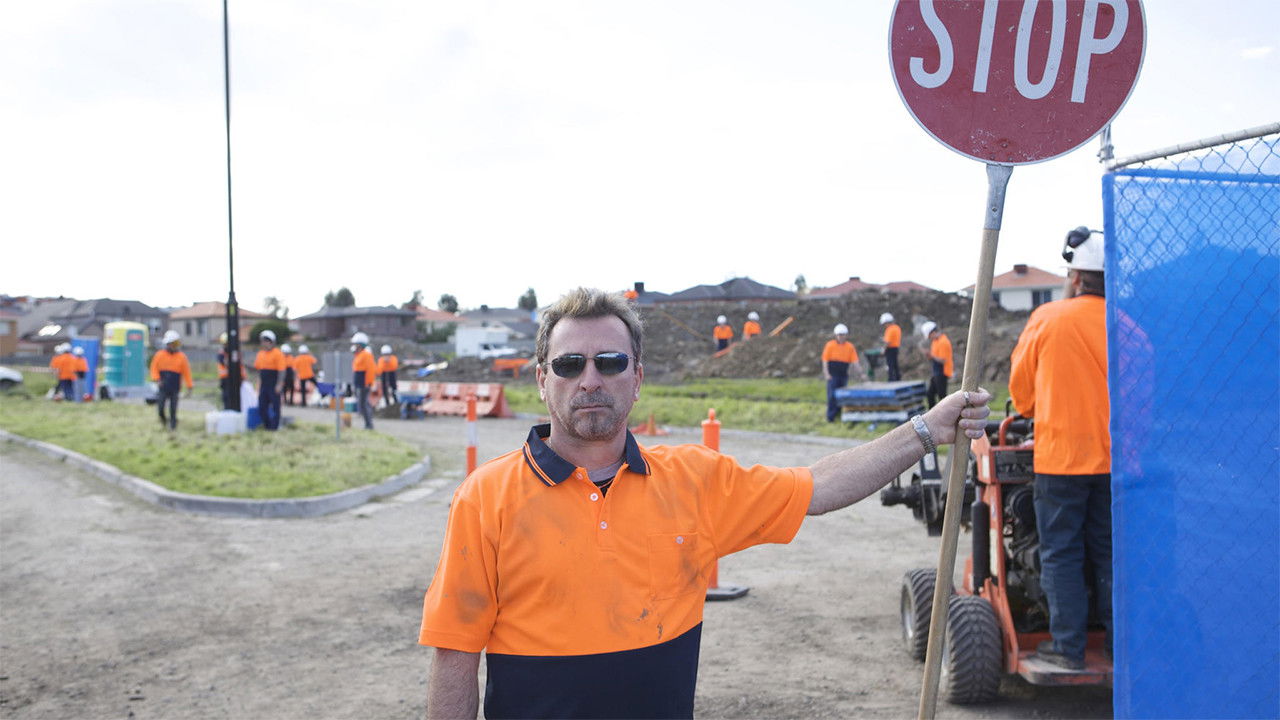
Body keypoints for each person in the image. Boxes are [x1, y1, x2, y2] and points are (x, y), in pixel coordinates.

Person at [419, 288, 990, 719]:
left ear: (637, 378)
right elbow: (455, 657)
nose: (590, 378)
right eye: (570, 364)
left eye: (610, 362)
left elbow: (819, 486)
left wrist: (925, 430)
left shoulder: (693, 480)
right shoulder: (486, 498)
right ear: (543, 380)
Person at [1010, 226, 1112, 671]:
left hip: (1061, 460)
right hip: (1115, 463)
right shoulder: (1126, 324)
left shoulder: (1048, 319)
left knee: (1061, 552)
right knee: (1110, 552)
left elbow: (1023, 393)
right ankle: (1116, 645)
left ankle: (1069, 648)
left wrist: (1035, 408)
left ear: (1075, 277)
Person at [149, 330, 193, 430]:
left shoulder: (181, 357)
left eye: (177, 343)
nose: (176, 346)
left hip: (175, 387)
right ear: (168, 344)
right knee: (160, 407)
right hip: (163, 386)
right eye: (174, 343)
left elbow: (187, 373)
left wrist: (189, 386)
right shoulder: (159, 355)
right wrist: (157, 380)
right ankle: (163, 420)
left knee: (173, 409)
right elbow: (153, 368)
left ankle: (173, 427)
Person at [821, 323, 862, 423]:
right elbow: (825, 361)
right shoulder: (830, 345)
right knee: (832, 396)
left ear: (846, 335)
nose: (841, 337)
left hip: (843, 374)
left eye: (843, 335)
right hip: (833, 374)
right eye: (839, 335)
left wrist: (861, 373)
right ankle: (830, 417)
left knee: (841, 396)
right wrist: (826, 374)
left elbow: (855, 362)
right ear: (836, 335)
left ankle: (839, 415)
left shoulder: (850, 347)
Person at [253, 330, 286, 430]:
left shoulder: (278, 354)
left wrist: (279, 385)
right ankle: (267, 426)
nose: (263, 343)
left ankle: (274, 427)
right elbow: (258, 370)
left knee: (276, 407)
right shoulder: (260, 354)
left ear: (271, 342)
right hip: (264, 384)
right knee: (262, 406)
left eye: (265, 341)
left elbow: (282, 371)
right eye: (262, 341)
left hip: (273, 383)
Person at [921, 321, 953, 408]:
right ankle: (932, 416)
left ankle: (945, 416)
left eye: (929, 336)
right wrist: (929, 355)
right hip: (936, 372)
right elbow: (934, 358)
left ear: (932, 332)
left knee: (942, 397)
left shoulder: (943, 342)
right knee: (930, 394)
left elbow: (943, 360)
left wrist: (931, 355)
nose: (929, 338)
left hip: (942, 372)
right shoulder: (935, 342)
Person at [350, 332, 376, 430]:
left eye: (356, 344)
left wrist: (367, 383)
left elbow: (370, 370)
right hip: (359, 383)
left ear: (360, 345)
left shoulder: (366, 355)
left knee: (363, 405)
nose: (354, 346)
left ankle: (369, 425)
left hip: (364, 384)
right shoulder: (359, 355)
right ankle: (368, 422)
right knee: (364, 404)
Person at [216, 332, 244, 410]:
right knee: (227, 398)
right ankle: (227, 412)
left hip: (236, 378)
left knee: (236, 398)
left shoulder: (236, 352)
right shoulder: (222, 353)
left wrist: (242, 377)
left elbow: (240, 366)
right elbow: (226, 363)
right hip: (225, 380)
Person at [880, 312, 902, 381]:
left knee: (890, 365)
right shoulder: (897, 327)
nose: (884, 325)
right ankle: (898, 377)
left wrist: (883, 349)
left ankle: (891, 379)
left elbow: (888, 342)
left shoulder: (889, 329)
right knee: (895, 364)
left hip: (890, 349)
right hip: (896, 348)